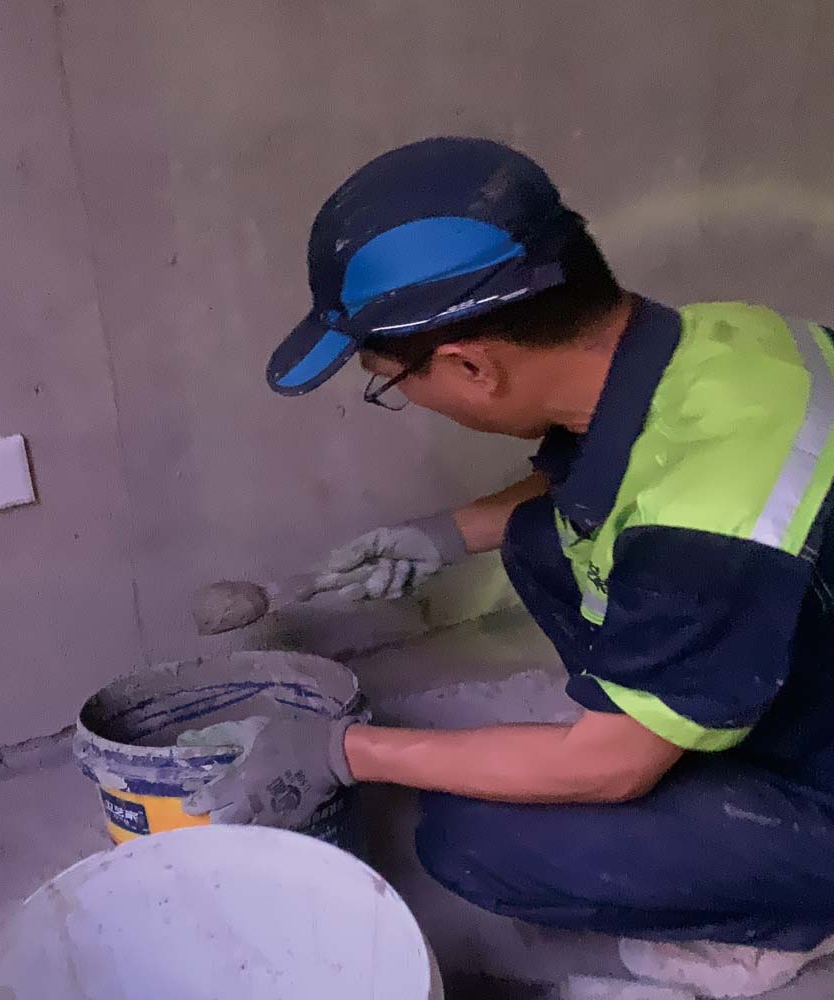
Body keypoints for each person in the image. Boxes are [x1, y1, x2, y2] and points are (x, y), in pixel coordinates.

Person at [183, 137, 834, 998]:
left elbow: (607, 768)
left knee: (476, 844)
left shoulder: (707, 533)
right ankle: (680, 725)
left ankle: (794, 919)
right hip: (803, 650)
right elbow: (626, 467)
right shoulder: (729, 340)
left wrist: (341, 751)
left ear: (470, 366)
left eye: (389, 382)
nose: (403, 397)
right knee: (539, 538)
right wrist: (443, 535)